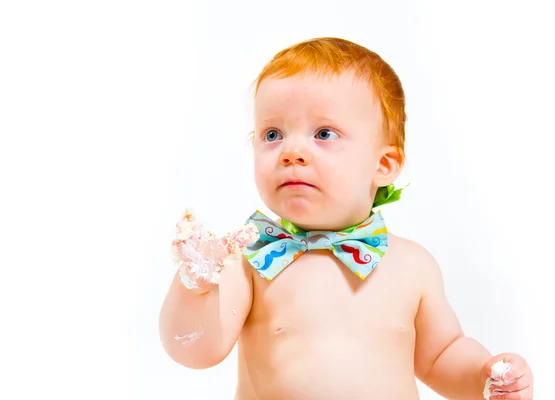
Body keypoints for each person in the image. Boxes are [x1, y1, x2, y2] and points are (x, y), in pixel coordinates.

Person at [159, 37, 533, 400]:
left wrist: (483, 376)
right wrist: (195, 287)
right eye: (272, 134)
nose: (291, 151)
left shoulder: (411, 265)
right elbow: (194, 350)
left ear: (384, 165)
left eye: (324, 133)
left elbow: (441, 355)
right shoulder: (251, 260)